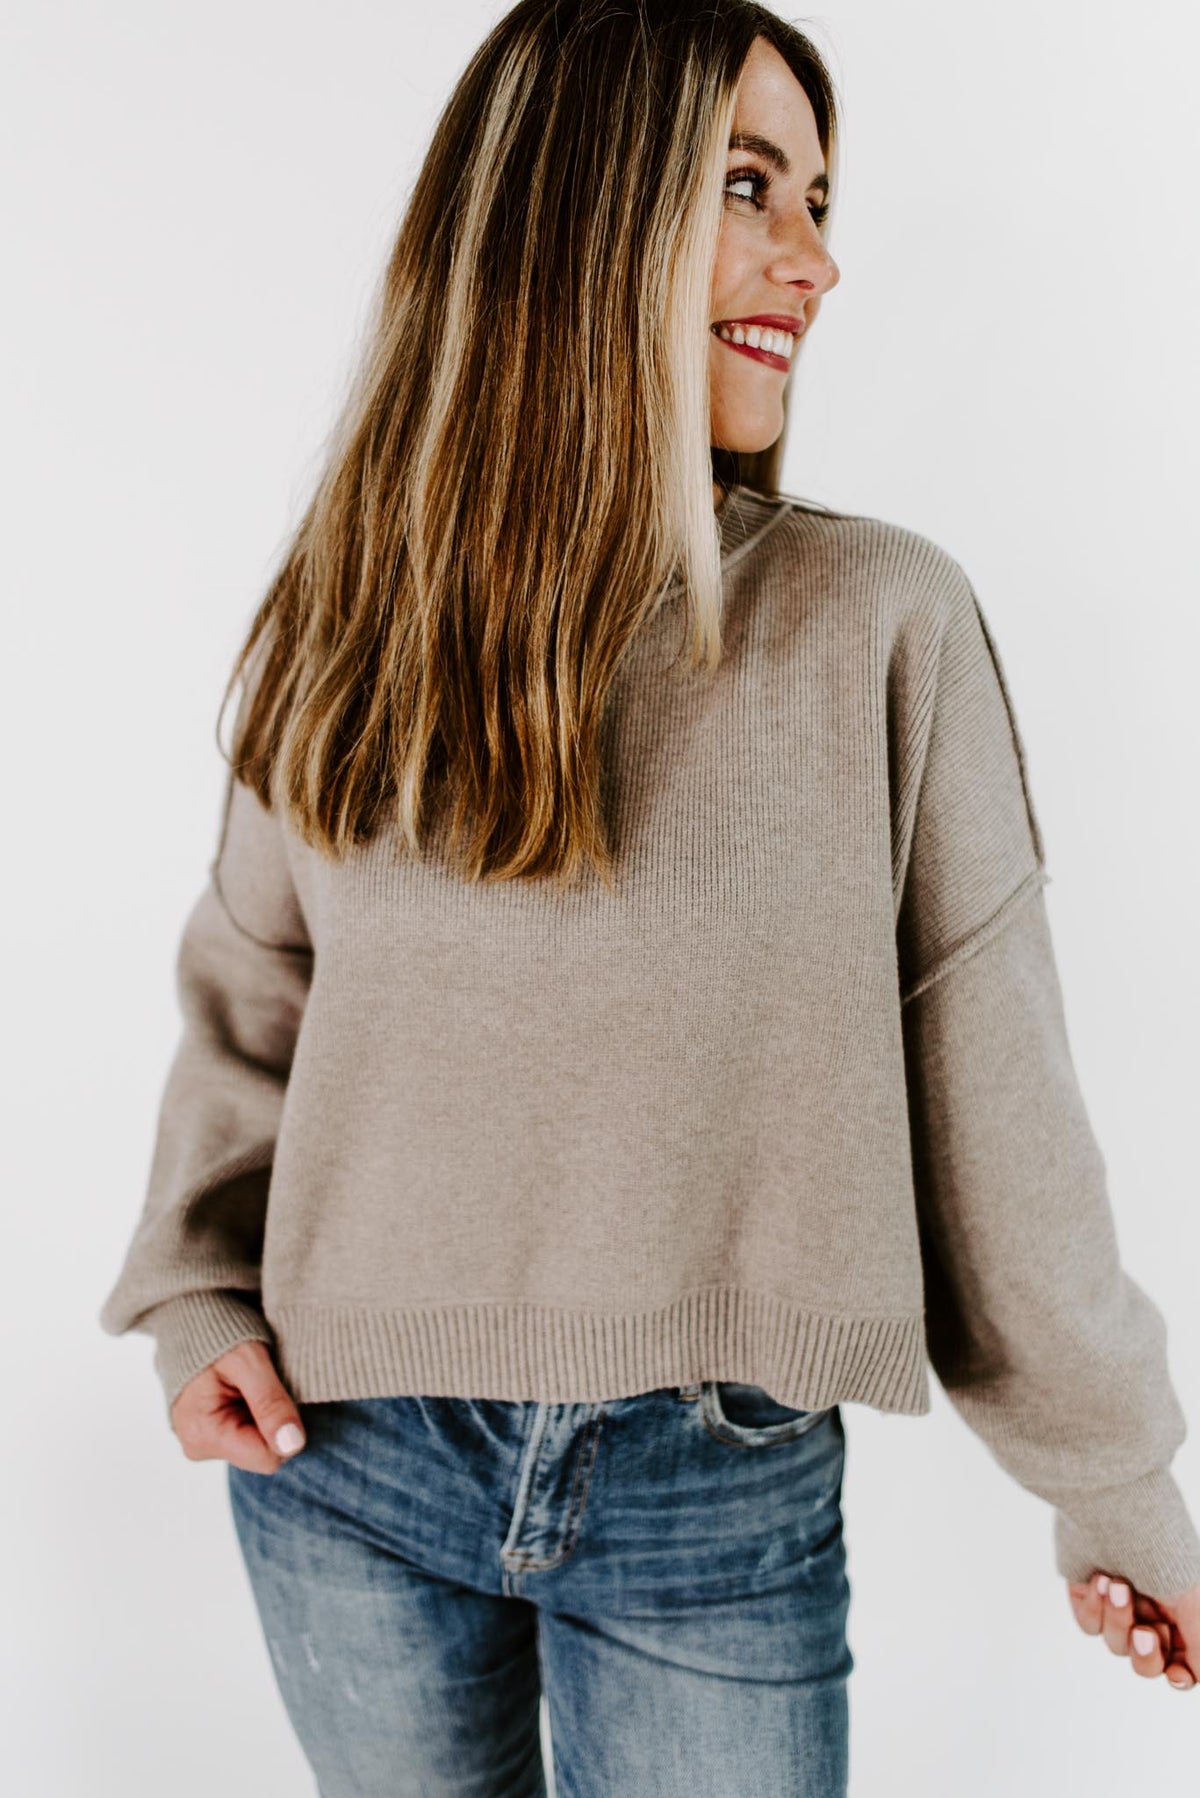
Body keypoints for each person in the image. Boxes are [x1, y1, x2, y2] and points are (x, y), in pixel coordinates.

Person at [98, 2, 1200, 1792]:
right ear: (576, 206)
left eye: (819, 200)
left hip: (713, 1488)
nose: (816, 260)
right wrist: (195, 1297)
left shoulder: (878, 623)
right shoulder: (347, 608)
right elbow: (252, 989)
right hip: (339, 1459)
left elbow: (998, 1100)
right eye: (750, 186)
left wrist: (1117, 1483)